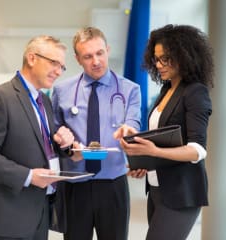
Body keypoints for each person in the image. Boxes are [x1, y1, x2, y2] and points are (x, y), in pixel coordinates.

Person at [0, 35, 75, 240]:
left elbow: (40, 142)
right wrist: (29, 176)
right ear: (32, 58)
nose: (58, 71)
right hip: (9, 214)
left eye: (62, 67)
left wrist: (63, 143)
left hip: (40, 209)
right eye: (54, 63)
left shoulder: (43, 99)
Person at [115, 24, 214, 240]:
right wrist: (143, 163)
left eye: (165, 59)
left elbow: (197, 150)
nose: (159, 65)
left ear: (184, 55)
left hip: (181, 193)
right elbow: (163, 139)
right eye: (156, 59)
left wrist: (153, 152)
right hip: (158, 189)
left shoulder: (195, 92)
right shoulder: (167, 89)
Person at [51, 27, 141, 240]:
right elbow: (54, 135)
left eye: (100, 53)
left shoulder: (130, 90)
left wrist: (129, 130)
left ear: (108, 50)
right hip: (76, 183)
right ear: (77, 59)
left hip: (113, 183)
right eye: (88, 56)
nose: (96, 61)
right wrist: (66, 146)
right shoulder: (61, 91)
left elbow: (133, 121)